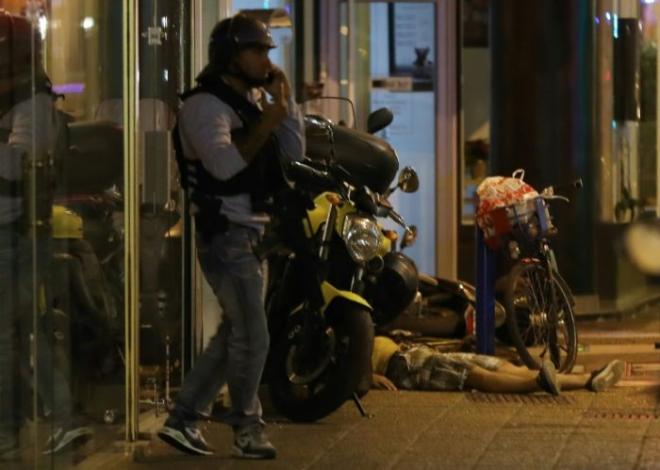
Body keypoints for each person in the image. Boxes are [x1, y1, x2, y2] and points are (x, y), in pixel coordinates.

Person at [157, 13, 304, 460]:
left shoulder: (252, 102)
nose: (265, 60)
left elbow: (293, 153)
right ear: (230, 56)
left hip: (253, 233)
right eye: (255, 50)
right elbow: (224, 167)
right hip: (226, 235)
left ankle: (183, 419)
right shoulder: (204, 106)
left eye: (267, 52)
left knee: (234, 336)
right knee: (253, 337)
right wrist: (269, 120)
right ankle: (246, 428)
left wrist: (286, 106)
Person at [0, 10, 91, 460]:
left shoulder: (32, 103)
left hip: (13, 235)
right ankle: (62, 418)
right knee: (24, 332)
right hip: (11, 234)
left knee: (7, 336)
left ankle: (8, 433)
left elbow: (16, 165)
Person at [371, 336, 624, 394]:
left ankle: (587, 380)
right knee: (474, 375)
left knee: (500, 365)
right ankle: (536, 383)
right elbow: (345, 374)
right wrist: (368, 377)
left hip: (412, 352)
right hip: (402, 366)